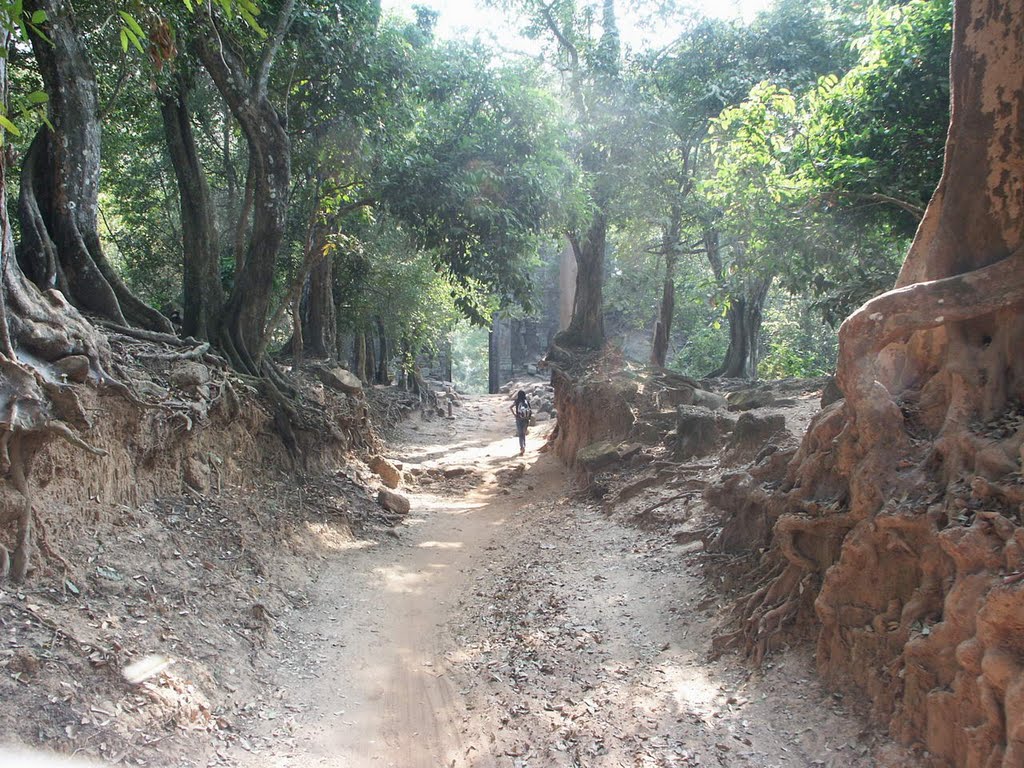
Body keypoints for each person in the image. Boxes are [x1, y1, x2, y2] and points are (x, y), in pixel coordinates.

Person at [510, 390, 532, 455]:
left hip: (518, 419)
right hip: (526, 419)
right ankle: (524, 445)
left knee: (520, 434)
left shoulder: (516, 401)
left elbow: (510, 407)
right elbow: (530, 411)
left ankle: (521, 447)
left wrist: (514, 414)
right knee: (523, 433)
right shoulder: (527, 402)